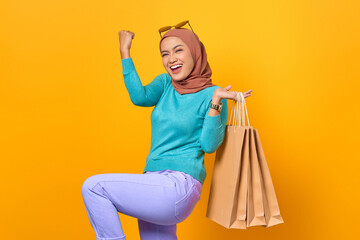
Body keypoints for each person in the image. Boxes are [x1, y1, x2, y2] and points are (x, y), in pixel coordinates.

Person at [82, 26, 252, 240]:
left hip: (178, 185)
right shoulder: (165, 84)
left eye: (178, 50)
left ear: (194, 52)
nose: (171, 59)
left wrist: (216, 101)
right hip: (152, 182)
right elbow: (139, 97)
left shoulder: (213, 94)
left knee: (94, 187)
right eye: (165, 54)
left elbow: (209, 146)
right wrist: (125, 52)